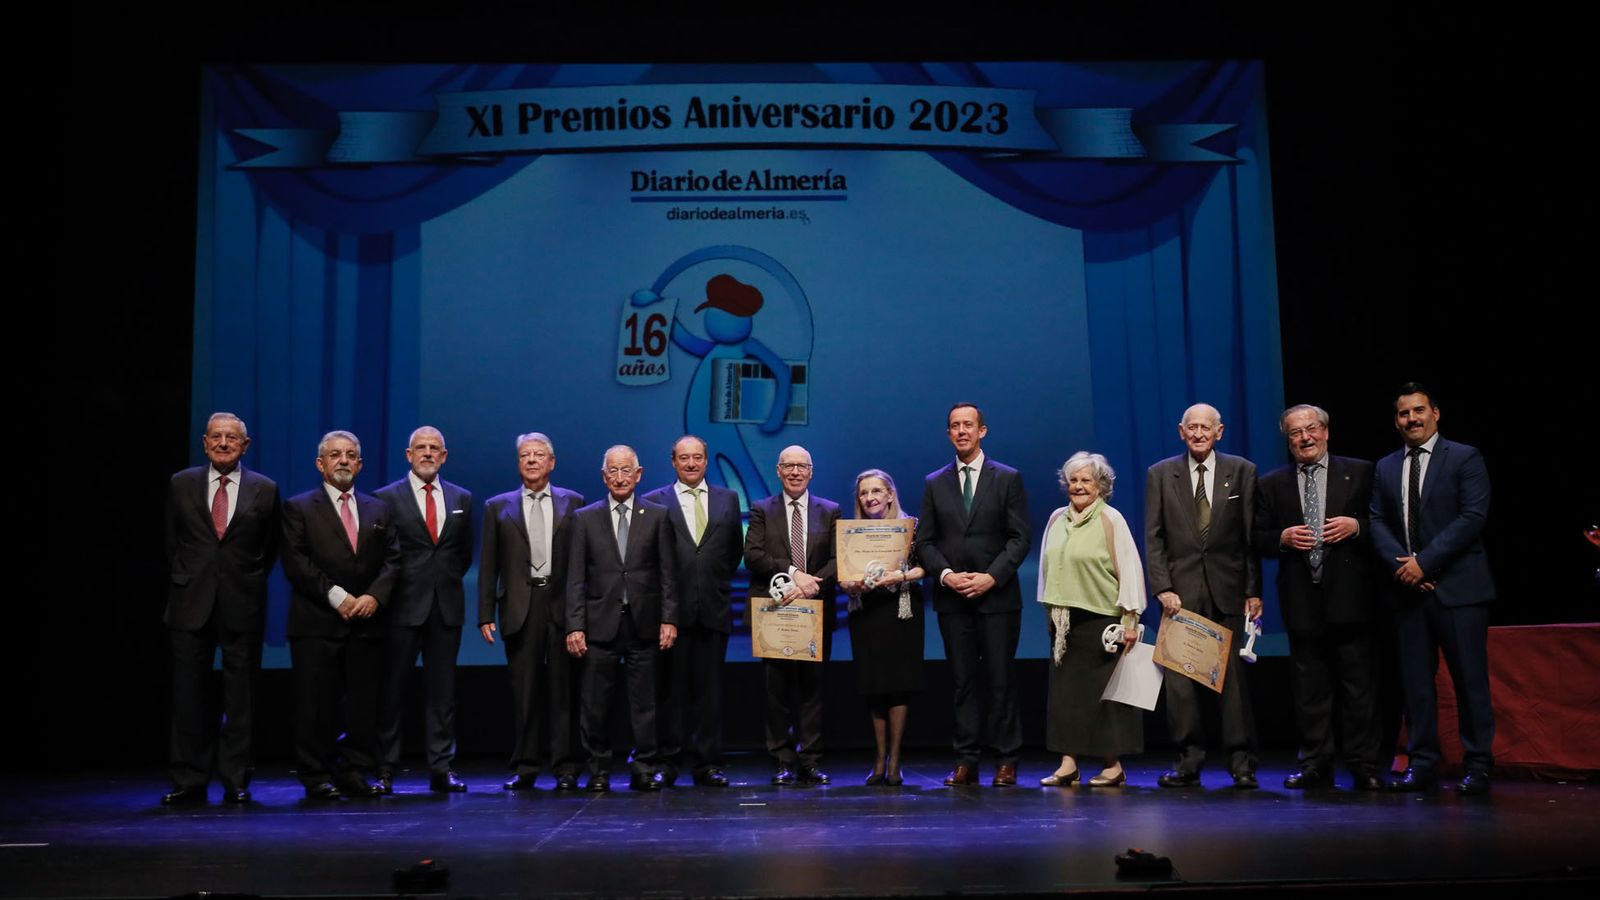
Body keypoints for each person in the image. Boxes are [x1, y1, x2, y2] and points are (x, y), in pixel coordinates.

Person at [1369, 383, 1495, 795]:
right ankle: (1422, 764)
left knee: (1469, 683)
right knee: (1417, 687)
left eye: (1419, 411)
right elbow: (1376, 522)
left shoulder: (1464, 457)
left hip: (1459, 591)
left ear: (1436, 413)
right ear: (1396, 421)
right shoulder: (1386, 466)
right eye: (1404, 414)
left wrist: (1426, 561)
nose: (1412, 419)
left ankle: (1478, 765)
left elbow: (1472, 516)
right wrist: (1405, 568)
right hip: (1408, 593)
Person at [1252, 405, 1384, 791]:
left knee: (1358, 688)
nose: (1304, 437)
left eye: (1311, 429)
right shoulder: (1271, 483)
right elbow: (1256, 537)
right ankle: (1315, 764)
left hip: (1352, 598)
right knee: (1310, 691)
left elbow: (1387, 523)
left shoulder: (1360, 471)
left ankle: (1364, 764)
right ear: (1288, 440)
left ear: (1326, 431)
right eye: (1295, 433)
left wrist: (1357, 526)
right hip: (1301, 601)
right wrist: (1281, 538)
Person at [162, 412, 280, 806]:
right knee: (188, 695)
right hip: (190, 602)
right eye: (217, 437)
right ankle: (189, 779)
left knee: (240, 697)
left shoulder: (265, 489)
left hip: (241, 603)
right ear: (205, 442)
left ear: (245, 445)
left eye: (232, 438)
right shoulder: (182, 484)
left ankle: (236, 779)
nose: (224, 443)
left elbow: (270, 548)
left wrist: (243, 580)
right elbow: (172, 541)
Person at [1145, 403, 1262, 789]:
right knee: (1180, 686)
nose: (1198, 434)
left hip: (1227, 589)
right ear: (1181, 432)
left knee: (1233, 686)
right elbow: (1154, 536)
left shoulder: (1242, 471)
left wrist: (1252, 591)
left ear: (1219, 432)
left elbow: (1249, 538)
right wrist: (1162, 586)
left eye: (1205, 428)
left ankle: (1241, 763)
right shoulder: (1161, 474)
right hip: (1179, 593)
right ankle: (1188, 762)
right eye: (1191, 428)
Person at [914, 403, 1030, 787]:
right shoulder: (934, 482)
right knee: (963, 683)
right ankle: (966, 760)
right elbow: (925, 542)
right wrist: (946, 575)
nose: (961, 431)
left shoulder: (1008, 478)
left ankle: (1006, 759)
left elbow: (1019, 539)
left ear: (983, 431)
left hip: (997, 599)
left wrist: (991, 578)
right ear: (948, 433)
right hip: (953, 600)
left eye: (968, 425)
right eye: (954, 426)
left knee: (1000, 681)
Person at [280, 430, 400, 801]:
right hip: (317, 623)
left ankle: (353, 771)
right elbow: (297, 563)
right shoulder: (298, 508)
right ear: (321, 464)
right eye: (335, 455)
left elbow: (394, 559)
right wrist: (338, 597)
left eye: (350, 455)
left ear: (360, 464)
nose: (344, 461)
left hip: (366, 623)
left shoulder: (378, 509)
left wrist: (373, 597)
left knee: (363, 705)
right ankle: (316, 774)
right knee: (315, 704)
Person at [565, 445, 678, 792]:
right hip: (600, 623)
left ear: (638, 474)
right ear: (604, 476)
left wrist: (668, 619)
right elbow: (575, 576)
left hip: (643, 622)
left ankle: (644, 767)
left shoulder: (657, 515)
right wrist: (575, 624)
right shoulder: (585, 518)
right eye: (612, 471)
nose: (619, 477)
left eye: (626, 470)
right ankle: (598, 769)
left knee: (644, 703)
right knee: (595, 704)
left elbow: (667, 573)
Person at [478, 433, 585, 791]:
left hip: (559, 604)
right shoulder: (497, 506)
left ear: (552, 463)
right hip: (519, 606)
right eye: (525, 455)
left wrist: (578, 615)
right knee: (524, 690)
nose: (532, 460)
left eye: (540, 455)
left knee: (562, 690)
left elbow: (580, 565)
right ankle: (525, 765)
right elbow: (489, 564)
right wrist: (484, 613)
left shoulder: (574, 503)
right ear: (518, 462)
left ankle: (566, 766)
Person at [1035, 452, 1146, 788]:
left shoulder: (1111, 519)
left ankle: (1112, 765)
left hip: (1103, 619)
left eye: (1086, 480)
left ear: (1101, 486)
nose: (1078, 486)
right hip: (1065, 619)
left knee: (1105, 696)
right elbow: (1046, 567)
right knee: (1066, 697)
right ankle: (1068, 763)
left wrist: (1130, 619)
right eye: (1073, 480)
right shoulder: (1056, 519)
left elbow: (1129, 568)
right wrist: (1049, 613)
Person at [373, 426, 473, 794]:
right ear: (408, 455)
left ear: (444, 456)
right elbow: (382, 555)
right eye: (421, 448)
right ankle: (385, 768)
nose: (428, 453)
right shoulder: (385, 498)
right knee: (392, 690)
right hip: (401, 608)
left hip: (445, 608)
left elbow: (461, 555)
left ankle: (441, 767)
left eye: (435, 448)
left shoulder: (462, 497)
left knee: (442, 692)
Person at [641, 436, 743, 787]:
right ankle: (668, 762)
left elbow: (733, 553)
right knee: (670, 692)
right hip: (670, 615)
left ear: (705, 461)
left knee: (710, 694)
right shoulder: (653, 501)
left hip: (713, 610)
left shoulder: (728, 499)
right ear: (673, 462)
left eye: (697, 457)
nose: (691, 464)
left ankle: (707, 764)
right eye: (684, 458)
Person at [744, 445, 840, 785]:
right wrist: (791, 573)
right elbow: (753, 554)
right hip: (775, 612)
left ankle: (810, 760)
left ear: (811, 471)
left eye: (802, 466)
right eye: (789, 466)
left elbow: (837, 559)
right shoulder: (761, 510)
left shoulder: (830, 510)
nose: (795, 471)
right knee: (776, 692)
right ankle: (782, 760)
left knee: (813, 691)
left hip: (814, 610)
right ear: (778, 471)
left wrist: (811, 585)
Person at [838, 469, 925, 786]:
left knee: (898, 685)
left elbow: (925, 567)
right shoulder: (852, 533)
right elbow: (843, 575)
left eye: (876, 491)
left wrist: (897, 577)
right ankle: (878, 760)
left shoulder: (912, 527)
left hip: (901, 611)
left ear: (890, 494)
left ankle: (896, 761)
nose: (870, 497)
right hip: (867, 612)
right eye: (864, 493)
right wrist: (848, 583)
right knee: (873, 686)